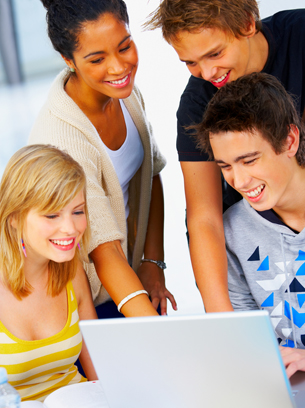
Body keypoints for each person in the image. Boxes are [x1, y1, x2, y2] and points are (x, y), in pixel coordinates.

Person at [145, 0, 305, 312]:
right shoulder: (195, 104)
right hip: (261, 254)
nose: (206, 73)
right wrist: (224, 321)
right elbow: (204, 218)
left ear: (247, 23)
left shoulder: (300, 35)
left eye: (215, 54)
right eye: (190, 63)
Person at [30, 0, 177, 317]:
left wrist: (152, 262)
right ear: (68, 60)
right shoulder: (64, 140)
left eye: (124, 47)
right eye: (97, 59)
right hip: (86, 298)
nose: (119, 67)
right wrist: (161, 335)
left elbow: (150, 173)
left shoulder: (124, 93)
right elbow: (103, 249)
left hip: (126, 276)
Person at [196, 72, 305, 378]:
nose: (239, 181)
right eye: (226, 166)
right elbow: (246, 346)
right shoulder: (232, 232)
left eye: (250, 160)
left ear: (289, 140)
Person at [0, 145, 97, 401]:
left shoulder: (71, 269)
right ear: (15, 218)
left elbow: (100, 370)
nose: (70, 228)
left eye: (78, 211)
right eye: (52, 215)